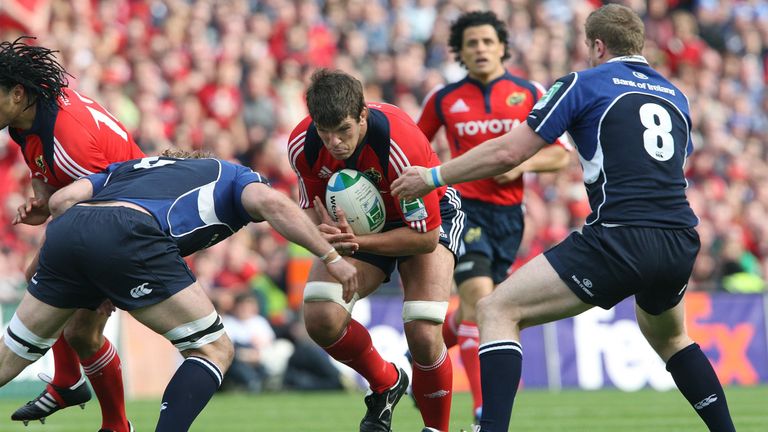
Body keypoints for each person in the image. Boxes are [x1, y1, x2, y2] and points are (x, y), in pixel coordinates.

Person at [392, 5, 736, 432]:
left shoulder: (582, 82)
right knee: (671, 338)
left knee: (497, 309)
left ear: (596, 45)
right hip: (680, 239)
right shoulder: (674, 95)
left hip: (619, 235)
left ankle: (490, 427)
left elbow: (508, 152)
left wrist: (432, 176)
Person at [0, 154, 358, 432]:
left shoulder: (129, 168)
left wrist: (84, 271)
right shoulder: (230, 173)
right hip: (130, 233)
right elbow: (275, 204)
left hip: (69, 232)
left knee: (10, 358)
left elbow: (63, 201)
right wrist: (331, 257)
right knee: (214, 348)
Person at [288, 69, 464, 432]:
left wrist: (355, 243)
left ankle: (437, 430)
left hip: (426, 219)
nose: (334, 142)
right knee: (321, 315)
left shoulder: (399, 145)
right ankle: (386, 383)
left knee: (422, 329)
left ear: (362, 115)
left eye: (344, 130)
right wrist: (326, 240)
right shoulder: (301, 145)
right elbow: (310, 210)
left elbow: (424, 239)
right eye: (325, 131)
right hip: (360, 227)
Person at [416, 11, 571, 422]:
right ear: (461, 52)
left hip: (509, 217)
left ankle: (426, 354)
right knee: (479, 298)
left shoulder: (531, 91)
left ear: (503, 46)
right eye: (472, 43)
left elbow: (560, 153)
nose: (481, 49)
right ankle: (484, 411)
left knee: (477, 311)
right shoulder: (443, 99)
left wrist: (521, 166)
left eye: (487, 41)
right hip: (463, 209)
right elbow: (417, 150)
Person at [0, 37, 144, 431]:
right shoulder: (27, 117)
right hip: (101, 212)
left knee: (69, 311)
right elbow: (49, 172)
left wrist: (101, 278)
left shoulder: (69, 137)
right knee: (78, 328)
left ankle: (88, 399)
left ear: (16, 92)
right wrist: (41, 200)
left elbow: (106, 200)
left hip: (132, 221)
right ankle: (86, 398)